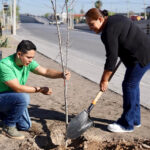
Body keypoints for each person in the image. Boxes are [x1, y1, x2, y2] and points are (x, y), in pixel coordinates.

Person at [85, 8, 150, 133]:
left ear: (100, 19)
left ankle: (127, 124)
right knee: (133, 86)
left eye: (91, 24)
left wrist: (104, 79)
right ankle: (135, 120)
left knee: (129, 85)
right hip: (143, 53)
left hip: (140, 57)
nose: (90, 27)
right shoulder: (116, 18)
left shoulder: (108, 32)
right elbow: (125, 37)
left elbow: (112, 58)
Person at [0, 40, 71, 139]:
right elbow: (18, 88)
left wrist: (61, 74)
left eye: (32, 58)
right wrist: (40, 89)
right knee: (23, 98)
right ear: (19, 54)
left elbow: (45, 71)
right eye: (28, 57)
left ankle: (3, 116)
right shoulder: (5, 65)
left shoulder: (28, 63)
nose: (30, 60)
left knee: (25, 126)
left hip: (11, 98)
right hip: (3, 97)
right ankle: (8, 127)